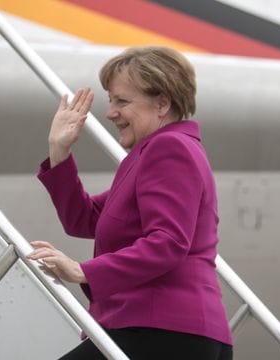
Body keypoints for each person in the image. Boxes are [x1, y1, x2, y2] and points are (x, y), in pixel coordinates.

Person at [27, 46, 233, 360]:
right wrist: (59, 151)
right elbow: (85, 218)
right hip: (167, 333)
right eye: (111, 101)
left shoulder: (169, 148)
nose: (110, 113)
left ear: (162, 103)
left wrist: (82, 271)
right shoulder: (156, 152)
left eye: (122, 101)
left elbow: (168, 242)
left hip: (162, 331)